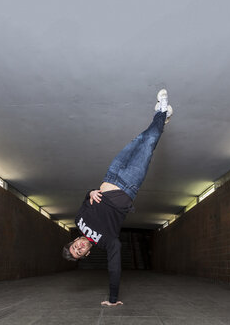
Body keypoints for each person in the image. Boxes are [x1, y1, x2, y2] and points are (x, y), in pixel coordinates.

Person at [62, 89, 173, 306]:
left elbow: (87, 201)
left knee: (140, 138)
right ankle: (161, 110)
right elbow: (115, 267)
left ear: (75, 241)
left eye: (75, 247)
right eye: (79, 253)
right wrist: (113, 298)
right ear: (85, 255)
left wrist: (90, 192)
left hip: (111, 174)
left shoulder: (78, 221)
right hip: (127, 185)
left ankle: (162, 119)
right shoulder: (107, 242)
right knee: (149, 144)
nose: (80, 248)